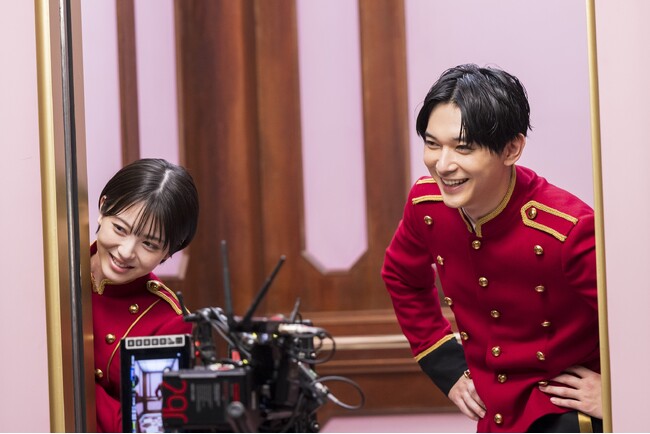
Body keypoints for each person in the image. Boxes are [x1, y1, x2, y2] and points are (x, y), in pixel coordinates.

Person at [381, 64, 602, 432]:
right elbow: (400, 276)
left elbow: (636, 317)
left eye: (463, 148)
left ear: (511, 149)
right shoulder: (426, 205)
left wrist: (622, 390)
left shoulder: (567, 229)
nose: (443, 165)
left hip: (566, 420)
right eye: (432, 144)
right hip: (493, 417)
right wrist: (446, 364)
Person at [90, 158, 199, 432]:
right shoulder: (50, 272)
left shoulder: (170, 323)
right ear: (103, 207)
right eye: (120, 229)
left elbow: (146, 427)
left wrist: (73, 379)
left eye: (149, 244)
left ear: (168, 252)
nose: (126, 252)